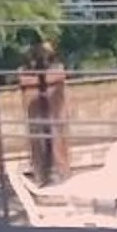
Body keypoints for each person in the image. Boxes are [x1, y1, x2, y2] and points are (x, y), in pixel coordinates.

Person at [20, 36, 69, 183]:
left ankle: (62, 173)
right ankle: (41, 175)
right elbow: (24, 81)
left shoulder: (56, 68)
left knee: (58, 140)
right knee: (38, 142)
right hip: (36, 112)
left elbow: (58, 77)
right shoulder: (26, 71)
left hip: (54, 111)